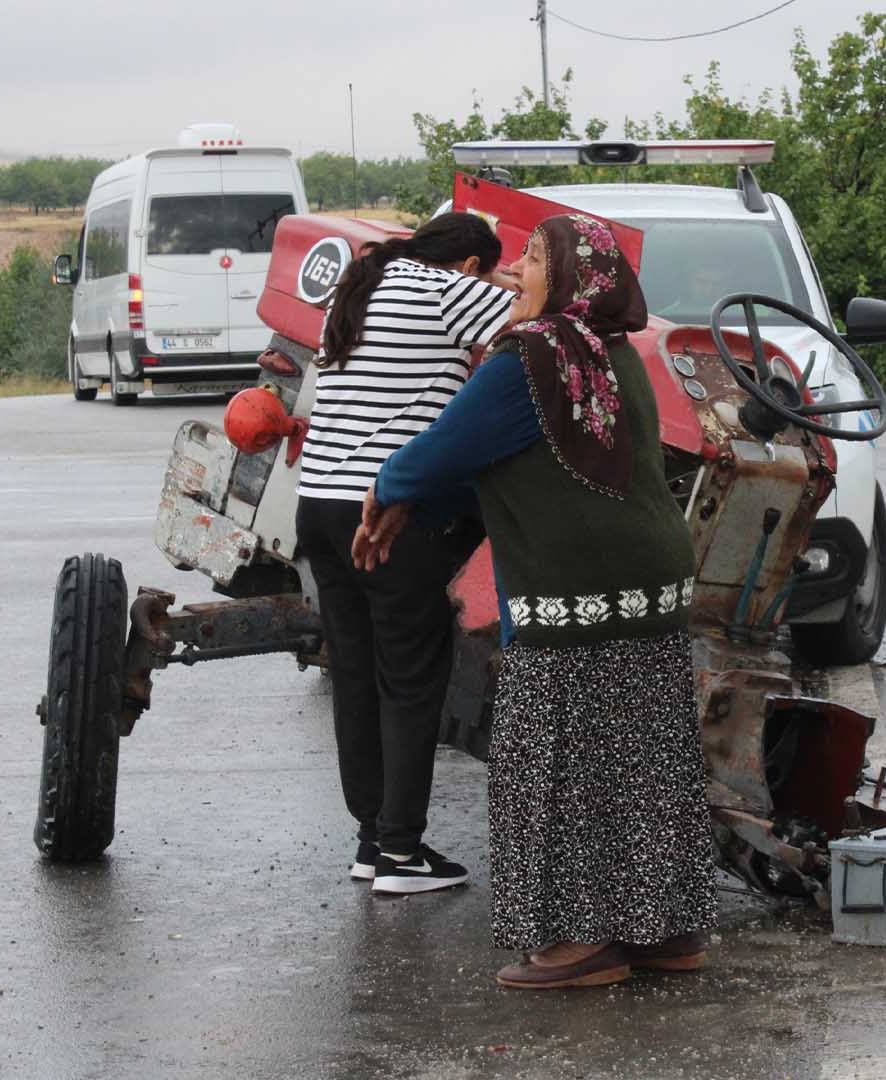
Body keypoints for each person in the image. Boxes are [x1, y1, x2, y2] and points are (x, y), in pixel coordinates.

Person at [356, 213, 718, 989]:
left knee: (547, 762)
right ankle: (664, 932)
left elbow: (443, 448)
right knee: (643, 761)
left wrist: (387, 489)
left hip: (576, 591)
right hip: (651, 582)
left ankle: (578, 942)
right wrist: (416, 495)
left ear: (570, 277)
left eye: (528, 257)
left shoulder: (526, 359)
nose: (512, 270)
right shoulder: (612, 353)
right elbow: (504, 456)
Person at [293, 212, 516, 896]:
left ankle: (372, 841)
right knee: (412, 677)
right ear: (472, 265)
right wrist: (513, 279)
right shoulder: (445, 290)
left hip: (319, 506)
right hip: (382, 513)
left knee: (357, 675)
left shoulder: (360, 286)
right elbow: (537, 321)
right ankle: (400, 850)